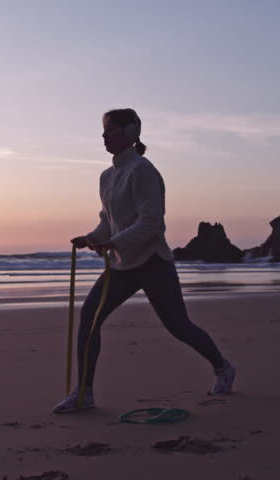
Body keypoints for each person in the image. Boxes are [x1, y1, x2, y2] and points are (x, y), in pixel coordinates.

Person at [53, 108, 236, 414]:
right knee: (90, 317)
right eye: (103, 130)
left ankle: (223, 367)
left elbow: (152, 222)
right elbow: (108, 222)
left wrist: (114, 241)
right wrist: (92, 238)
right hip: (121, 266)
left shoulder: (143, 170)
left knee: (178, 326)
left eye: (110, 129)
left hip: (153, 262)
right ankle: (84, 393)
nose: (103, 136)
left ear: (129, 133)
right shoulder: (107, 176)